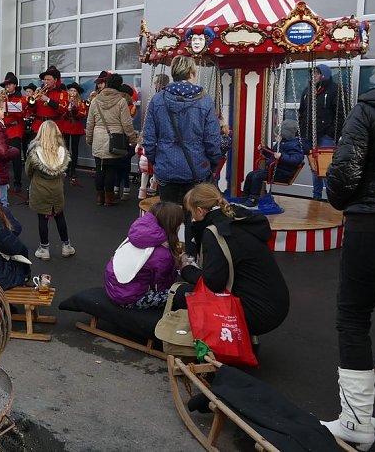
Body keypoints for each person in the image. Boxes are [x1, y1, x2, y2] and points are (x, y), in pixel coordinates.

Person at [320, 35, 375, 450]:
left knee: (354, 317)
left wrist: (347, 202)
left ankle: (355, 422)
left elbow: (344, 174)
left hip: (374, 225)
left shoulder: (370, 108)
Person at [173, 183, 289, 337]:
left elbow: (213, 283)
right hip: (276, 303)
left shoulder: (215, 232)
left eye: (192, 213)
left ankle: (213, 339)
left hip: (257, 313)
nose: (192, 218)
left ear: (200, 211)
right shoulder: (238, 218)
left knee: (180, 293)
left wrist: (185, 268)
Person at [142, 55, 222, 205]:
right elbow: (212, 139)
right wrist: (212, 163)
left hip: (166, 167)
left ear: (174, 73)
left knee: (168, 218)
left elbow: (149, 139)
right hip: (196, 168)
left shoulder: (157, 99)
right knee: (194, 217)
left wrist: (156, 162)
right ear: (192, 73)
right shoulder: (205, 100)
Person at [104, 202, 183, 308]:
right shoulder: (163, 254)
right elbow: (159, 285)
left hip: (112, 287)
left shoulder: (138, 235)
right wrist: (178, 266)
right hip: (127, 298)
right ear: (174, 226)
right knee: (180, 295)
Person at [25, 120, 74, 259]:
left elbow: (28, 170)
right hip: (57, 188)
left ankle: (44, 248)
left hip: (40, 188)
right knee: (60, 216)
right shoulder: (62, 151)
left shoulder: (34, 151)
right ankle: (66, 246)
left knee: (42, 218)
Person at [85, 74, 137, 206]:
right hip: (115, 138)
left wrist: (89, 139)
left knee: (99, 168)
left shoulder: (95, 100)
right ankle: (109, 198)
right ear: (119, 85)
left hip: (98, 137)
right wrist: (132, 139)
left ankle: (99, 197)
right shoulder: (121, 101)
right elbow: (126, 123)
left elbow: (90, 122)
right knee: (111, 170)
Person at [299, 63, 345, 201]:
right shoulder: (308, 91)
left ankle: (332, 199)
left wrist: (331, 133)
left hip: (325, 136)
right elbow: (302, 112)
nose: (313, 76)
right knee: (314, 168)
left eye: (316, 73)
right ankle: (316, 196)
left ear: (324, 75)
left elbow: (341, 114)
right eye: (312, 74)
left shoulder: (335, 90)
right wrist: (301, 131)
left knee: (326, 168)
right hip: (310, 135)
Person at [241, 119, 305, 207]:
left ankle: (253, 199)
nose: (276, 137)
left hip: (283, 173)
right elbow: (272, 154)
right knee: (250, 175)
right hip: (274, 170)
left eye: (277, 135)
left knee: (257, 177)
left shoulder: (294, 145)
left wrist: (281, 157)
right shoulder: (281, 143)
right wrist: (264, 150)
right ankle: (245, 196)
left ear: (285, 134)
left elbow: (297, 159)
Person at [1, 72, 27, 192]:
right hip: (3, 130)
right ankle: (3, 180)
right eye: (6, 85)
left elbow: (22, 114)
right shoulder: (1, 97)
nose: (7, 87)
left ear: (15, 85)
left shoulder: (21, 98)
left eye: (10, 84)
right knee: (2, 157)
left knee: (16, 158)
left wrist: (8, 104)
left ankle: (18, 182)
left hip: (15, 130)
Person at [28, 65, 69, 134]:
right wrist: (32, 102)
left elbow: (63, 109)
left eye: (49, 80)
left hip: (54, 127)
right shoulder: (39, 92)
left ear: (55, 80)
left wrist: (48, 100)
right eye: (45, 80)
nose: (46, 82)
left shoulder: (62, 93)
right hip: (39, 127)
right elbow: (32, 111)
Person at [61, 82, 87, 184]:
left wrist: (75, 110)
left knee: (75, 148)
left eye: (74, 91)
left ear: (77, 93)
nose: (72, 92)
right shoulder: (65, 101)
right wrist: (67, 109)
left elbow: (83, 114)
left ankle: (73, 169)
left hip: (76, 126)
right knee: (66, 148)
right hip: (66, 126)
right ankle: (66, 167)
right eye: (71, 90)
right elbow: (61, 113)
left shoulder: (81, 102)